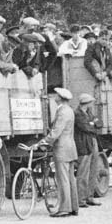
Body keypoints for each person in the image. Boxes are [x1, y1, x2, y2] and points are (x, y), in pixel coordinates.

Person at [31, 87, 78, 217]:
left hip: (62, 149)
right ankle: (74, 207)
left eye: (56, 95)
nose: (54, 97)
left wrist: (41, 142)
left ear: (60, 98)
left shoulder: (62, 112)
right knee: (70, 179)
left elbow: (56, 132)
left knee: (62, 179)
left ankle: (64, 209)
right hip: (70, 148)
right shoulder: (70, 110)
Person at [74, 93, 103, 206]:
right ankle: (81, 199)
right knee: (83, 173)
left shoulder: (88, 112)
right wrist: (93, 124)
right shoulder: (78, 114)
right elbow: (86, 127)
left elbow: (99, 123)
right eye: (91, 102)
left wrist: (93, 124)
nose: (92, 103)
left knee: (93, 171)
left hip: (92, 142)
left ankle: (89, 197)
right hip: (84, 145)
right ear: (87, 103)